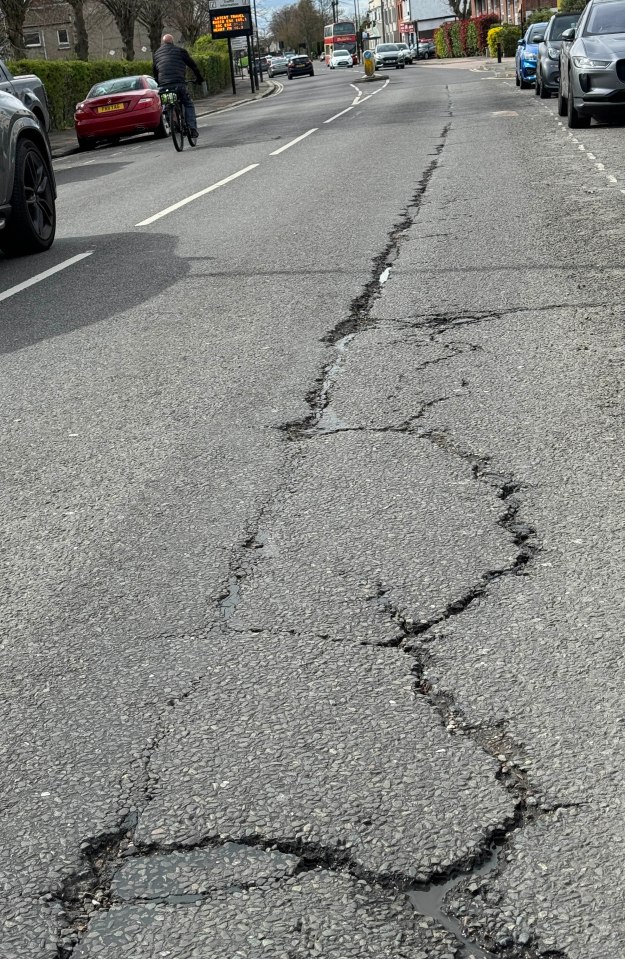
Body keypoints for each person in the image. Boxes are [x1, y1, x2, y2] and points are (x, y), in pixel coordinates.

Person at [152, 34, 203, 138]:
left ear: (163, 43)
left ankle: (172, 120)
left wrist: (159, 83)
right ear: (172, 42)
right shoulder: (180, 51)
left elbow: (155, 72)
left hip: (164, 85)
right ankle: (192, 129)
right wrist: (199, 78)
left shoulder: (156, 54)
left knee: (167, 103)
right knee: (187, 103)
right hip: (179, 84)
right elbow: (193, 66)